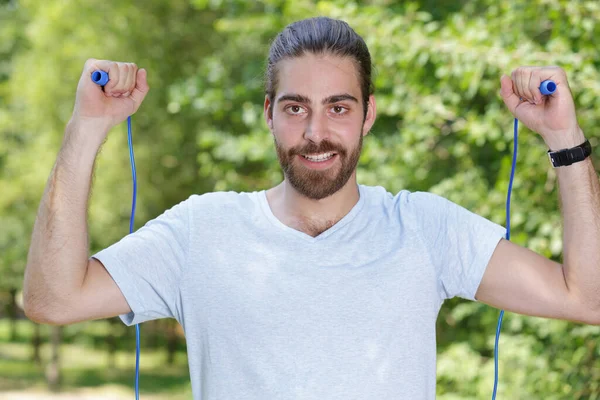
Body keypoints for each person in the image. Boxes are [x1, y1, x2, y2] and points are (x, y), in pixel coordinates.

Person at [23, 16, 600, 400]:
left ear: (368, 115)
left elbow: (588, 298)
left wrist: (565, 140)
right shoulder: (199, 230)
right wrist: (87, 128)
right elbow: (51, 298)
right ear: (269, 112)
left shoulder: (425, 227)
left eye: (339, 108)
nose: (317, 133)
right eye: (297, 108)